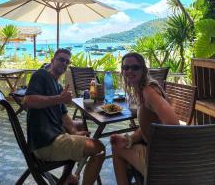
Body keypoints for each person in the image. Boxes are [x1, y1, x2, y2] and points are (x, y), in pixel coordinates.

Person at [23, 48, 105, 185]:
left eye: (67, 61)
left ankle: (67, 176)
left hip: (51, 134)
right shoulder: (41, 75)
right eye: (61, 59)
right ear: (52, 61)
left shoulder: (59, 86)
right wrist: (59, 99)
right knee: (99, 148)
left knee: (78, 124)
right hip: (45, 143)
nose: (64, 63)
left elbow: (64, 115)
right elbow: (27, 101)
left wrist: (74, 132)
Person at [111, 52, 179, 185]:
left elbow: (174, 126)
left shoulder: (149, 92)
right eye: (126, 67)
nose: (130, 70)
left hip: (162, 161)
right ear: (122, 71)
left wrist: (157, 153)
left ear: (143, 70)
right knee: (120, 145)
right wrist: (128, 140)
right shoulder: (141, 91)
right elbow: (149, 126)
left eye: (135, 67)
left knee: (116, 149)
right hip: (157, 153)